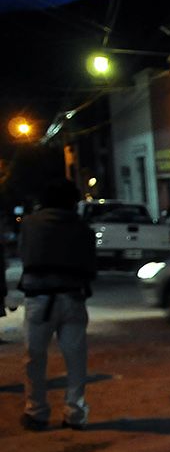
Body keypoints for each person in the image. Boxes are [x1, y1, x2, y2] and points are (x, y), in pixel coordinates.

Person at [18, 179, 96, 431]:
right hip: (73, 297)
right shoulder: (82, 228)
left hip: (40, 299)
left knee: (35, 358)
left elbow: (25, 256)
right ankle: (75, 413)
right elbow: (90, 267)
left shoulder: (30, 224)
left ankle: (37, 411)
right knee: (75, 359)